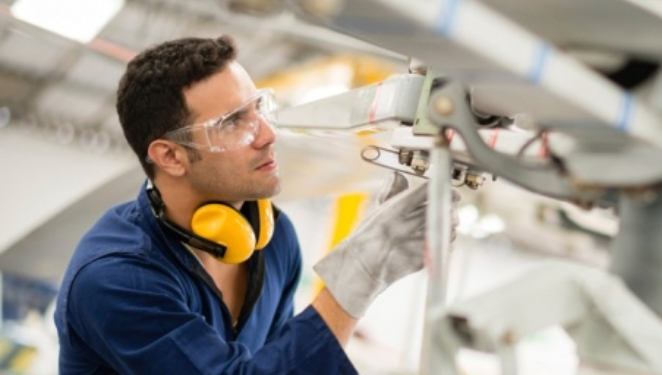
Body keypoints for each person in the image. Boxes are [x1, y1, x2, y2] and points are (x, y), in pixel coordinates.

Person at [54, 35, 450, 374]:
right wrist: (358, 277)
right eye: (231, 122)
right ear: (170, 157)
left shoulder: (274, 241)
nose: (266, 134)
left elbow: (275, 361)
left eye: (258, 108)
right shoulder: (115, 278)